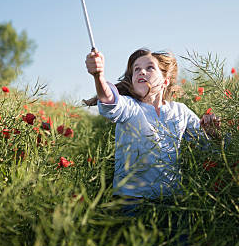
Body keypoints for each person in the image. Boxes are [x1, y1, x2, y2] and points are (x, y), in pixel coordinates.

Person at [84, 48, 220, 201]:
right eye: (136, 69)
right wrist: (99, 76)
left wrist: (213, 133)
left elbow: (206, 146)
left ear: (165, 81)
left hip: (172, 201)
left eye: (149, 67)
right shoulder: (130, 107)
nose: (142, 71)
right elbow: (110, 100)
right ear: (133, 82)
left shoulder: (180, 111)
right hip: (131, 201)